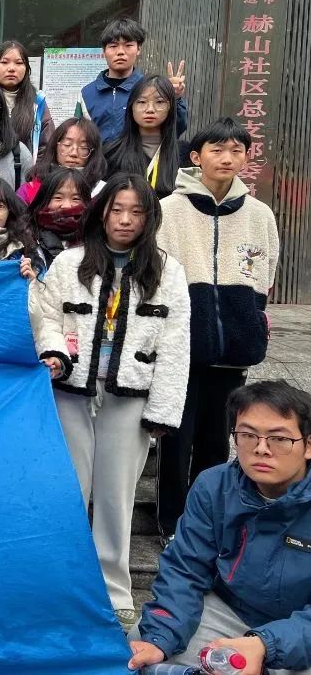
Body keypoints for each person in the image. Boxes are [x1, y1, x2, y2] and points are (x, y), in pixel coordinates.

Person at [29, 173, 190, 632]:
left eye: (136, 211)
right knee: (67, 492)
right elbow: (47, 317)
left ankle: (114, 591)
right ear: (101, 214)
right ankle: (60, 585)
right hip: (71, 392)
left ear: (149, 218)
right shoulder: (69, 262)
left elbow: (177, 343)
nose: (125, 220)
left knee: (117, 497)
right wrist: (54, 352)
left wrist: (163, 410)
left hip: (130, 398)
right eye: (116, 210)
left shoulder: (168, 270)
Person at [129, 381, 311, 675]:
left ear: (308, 445)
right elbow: (186, 569)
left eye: (279, 438)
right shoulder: (214, 486)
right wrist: (160, 636)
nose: (261, 449)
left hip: (299, 626)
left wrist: (265, 644)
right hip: (231, 611)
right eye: (248, 435)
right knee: (146, 641)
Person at [154, 119, 280, 538]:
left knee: (216, 439)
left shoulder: (259, 214)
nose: (227, 158)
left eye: (236, 150)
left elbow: (266, 271)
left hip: (234, 348)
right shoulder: (169, 210)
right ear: (196, 156)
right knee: (176, 437)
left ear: (246, 157)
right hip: (182, 346)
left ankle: (205, 519)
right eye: (217, 149)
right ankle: (170, 520)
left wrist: (252, 322)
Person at [76, 17, 188, 143]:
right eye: (113, 46)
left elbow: (175, 130)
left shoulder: (152, 89)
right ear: (104, 51)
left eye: (128, 45)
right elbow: (78, 135)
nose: (120, 52)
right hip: (99, 156)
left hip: (140, 156)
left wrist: (175, 98)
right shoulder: (87, 93)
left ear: (138, 49)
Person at [103, 75, 181, 199]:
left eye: (159, 102)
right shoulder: (111, 153)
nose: (150, 109)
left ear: (170, 108)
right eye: (142, 102)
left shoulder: (184, 154)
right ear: (131, 107)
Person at [17, 117, 106, 205]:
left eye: (83, 147)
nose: (74, 153)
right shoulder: (30, 190)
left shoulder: (102, 192)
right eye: (67, 144)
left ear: (93, 152)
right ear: (55, 146)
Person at [0, 40, 54, 153]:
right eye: (4, 62)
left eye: (18, 63)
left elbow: (46, 147)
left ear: (26, 69)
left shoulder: (37, 102)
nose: (11, 68)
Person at [27, 167, 91, 267]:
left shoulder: (95, 236)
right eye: (58, 198)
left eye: (75, 199)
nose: (66, 206)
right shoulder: (28, 236)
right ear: (43, 201)